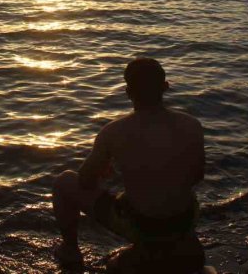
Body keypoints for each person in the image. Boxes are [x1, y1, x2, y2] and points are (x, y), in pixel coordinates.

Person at [51, 57, 205, 269]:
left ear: (128, 92)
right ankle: (177, 244)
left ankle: (70, 251)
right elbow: (197, 175)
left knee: (64, 182)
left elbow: (85, 181)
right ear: (165, 87)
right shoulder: (192, 125)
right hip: (184, 220)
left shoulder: (113, 132)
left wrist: (114, 178)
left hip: (143, 226)